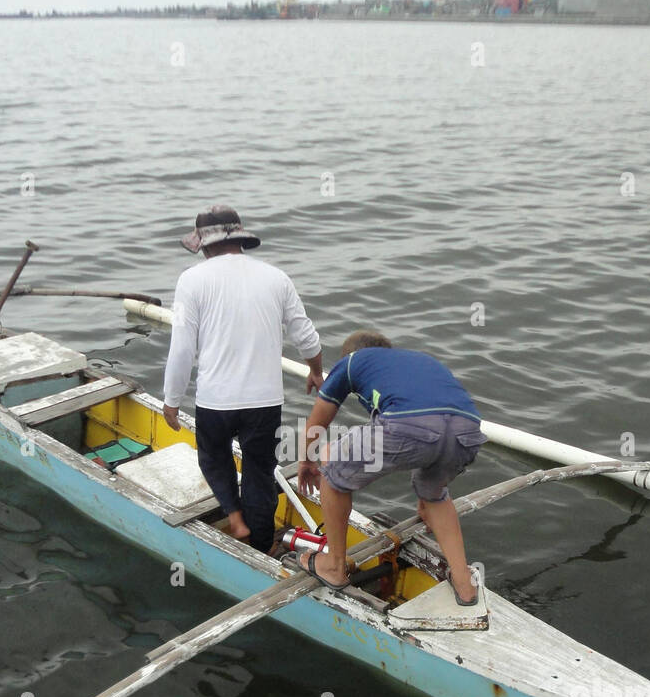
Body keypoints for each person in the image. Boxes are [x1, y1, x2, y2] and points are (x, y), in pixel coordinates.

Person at [162, 205, 324, 554]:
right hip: (264, 402)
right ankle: (262, 547)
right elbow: (306, 335)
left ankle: (236, 519)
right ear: (239, 239)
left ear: (204, 246)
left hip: (215, 400)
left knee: (213, 458)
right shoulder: (276, 278)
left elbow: (181, 350)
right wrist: (314, 370)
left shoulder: (191, 280)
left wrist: (171, 400)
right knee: (260, 473)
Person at [295, 331, 488, 605]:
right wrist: (426, 496)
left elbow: (318, 420)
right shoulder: (417, 361)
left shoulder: (351, 362)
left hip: (408, 424)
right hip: (467, 429)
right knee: (435, 493)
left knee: (331, 465)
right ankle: (463, 581)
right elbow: (437, 415)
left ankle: (334, 565)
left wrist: (306, 461)